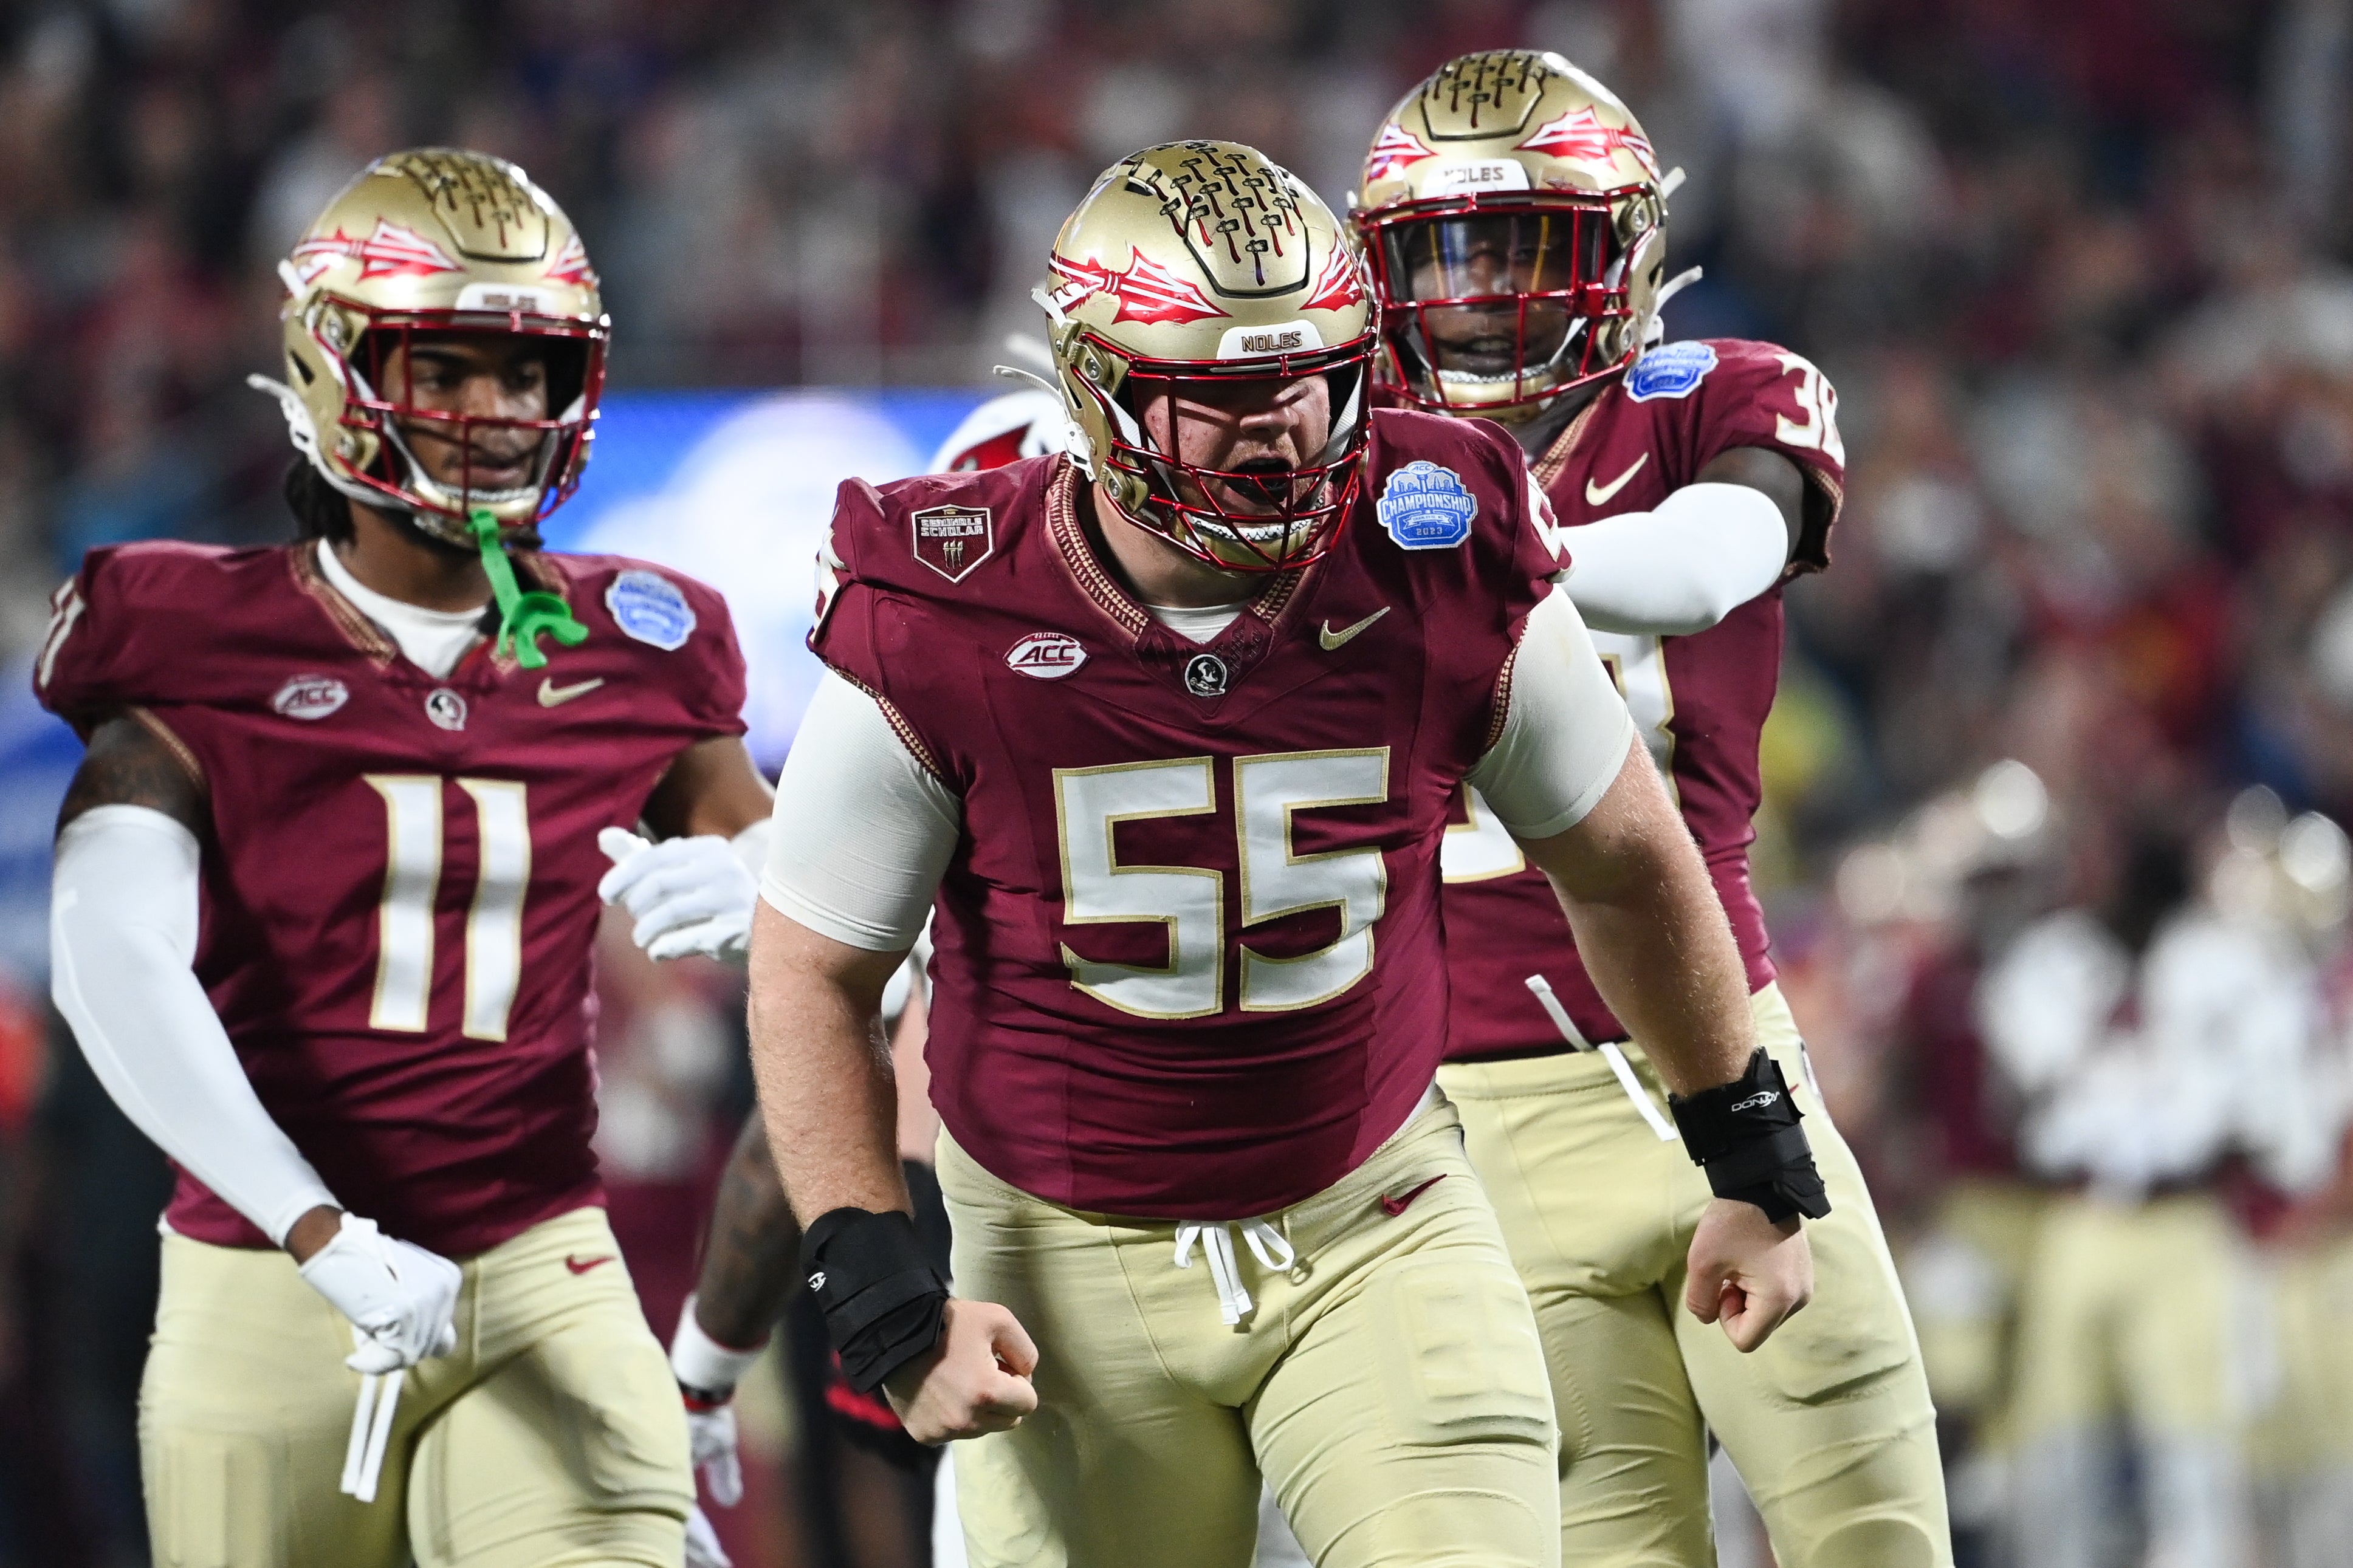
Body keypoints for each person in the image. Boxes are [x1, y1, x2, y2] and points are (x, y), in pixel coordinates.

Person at [744, 139, 1827, 1568]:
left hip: (1373, 1214)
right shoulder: (947, 602)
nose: (1280, 434)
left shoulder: (1436, 534)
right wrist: (881, 1291)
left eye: (1310, 383)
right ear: (1099, 388)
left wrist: (1747, 1151)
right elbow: (816, 971)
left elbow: (1625, 856)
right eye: (1223, 399)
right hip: (1065, 1257)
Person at [41, 148, 773, 1568]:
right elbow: (109, 957)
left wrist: (782, 893)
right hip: (268, 1279)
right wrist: (314, 1227)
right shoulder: (190, 632)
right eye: (450, 370)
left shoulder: (642, 636)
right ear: (339, 369)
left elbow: (832, 892)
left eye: (529, 374)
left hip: (543, 1255)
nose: (501, 415)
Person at [1352, 50, 1953, 1567]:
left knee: (1872, 1535)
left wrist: (1474, 536)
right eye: (1445, 250)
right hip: (1463, 1110)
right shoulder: (1346, 466)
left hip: (1715, 1060)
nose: (1481, 289)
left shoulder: (1715, 400)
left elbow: (1697, 567)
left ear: (1620, 254)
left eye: (1522, 243)